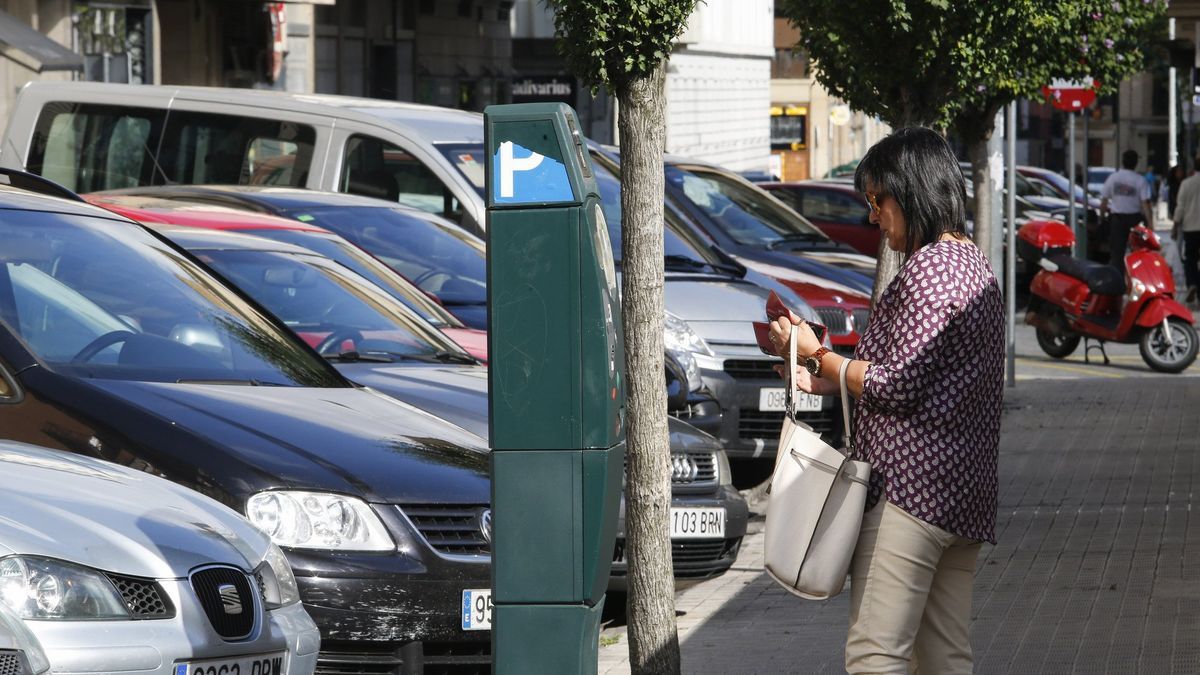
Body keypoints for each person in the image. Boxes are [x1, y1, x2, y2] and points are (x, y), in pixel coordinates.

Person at [767, 127, 1005, 674]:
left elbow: (896, 384)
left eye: (878, 200)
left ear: (913, 191)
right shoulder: (973, 266)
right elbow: (932, 377)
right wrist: (831, 376)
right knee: (944, 655)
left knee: (877, 653)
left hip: (908, 494)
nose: (873, 217)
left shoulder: (929, 270)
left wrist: (817, 355)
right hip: (962, 495)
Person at [1100, 150, 1154, 274]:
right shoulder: (1140, 180)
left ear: (1123, 162)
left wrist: (1102, 217)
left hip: (1117, 221)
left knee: (1117, 254)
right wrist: (1150, 224)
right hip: (1135, 221)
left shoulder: (1113, 178)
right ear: (1136, 163)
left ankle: (1117, 282)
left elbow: (1104, 200)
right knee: (1138, 253)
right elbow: (1145, 204)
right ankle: (1136, 279)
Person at [1172, 156, 1200, 304]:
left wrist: (1175, 226)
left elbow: (1180, 207)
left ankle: (1192, 284)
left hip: (1190, 228)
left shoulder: (1186, 184)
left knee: (1190, 258)